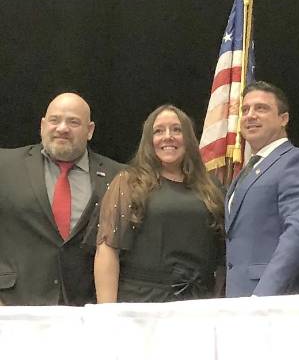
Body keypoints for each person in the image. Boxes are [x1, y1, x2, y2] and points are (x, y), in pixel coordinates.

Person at [0, 93, 123, 305]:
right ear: (42, 125)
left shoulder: (119, 176)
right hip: (13, 306)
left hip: (84, 309)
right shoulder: (5, 165)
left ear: (90, 130)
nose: (62, 128)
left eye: (73, 122)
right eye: (55, 120)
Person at [93, 105, 225, 302]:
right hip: (143, 303)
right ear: (148, 141)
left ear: (188, 139)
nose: (168, 136)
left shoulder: (211, 187)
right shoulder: (129, 182)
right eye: (158, 131)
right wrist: (107, 314)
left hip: (199, 302)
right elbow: (108, 250)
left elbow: (222, 254)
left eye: (177, 130)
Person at [225, 81, 299, 297]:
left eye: (261, 108)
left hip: (275, 302)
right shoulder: (249, 170)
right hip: (238, 300)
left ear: (284, 118)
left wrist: (262, 298)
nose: (250, 115)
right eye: (245, 110)